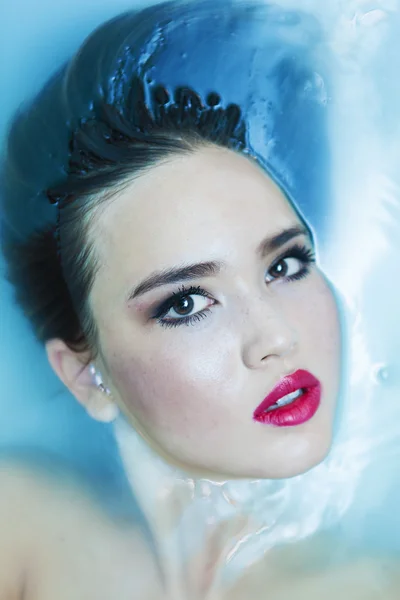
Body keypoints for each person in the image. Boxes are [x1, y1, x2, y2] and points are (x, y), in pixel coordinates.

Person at [1, 1, 398, 598]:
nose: (277, 338)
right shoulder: (18, 518)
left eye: (284, 264)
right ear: (86, 375)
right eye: (186, 303)